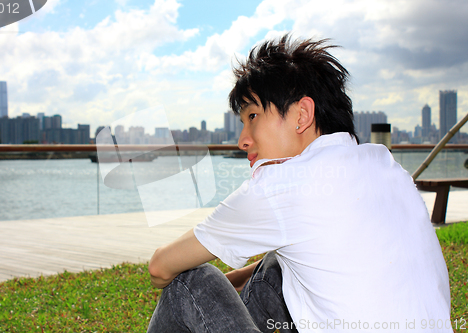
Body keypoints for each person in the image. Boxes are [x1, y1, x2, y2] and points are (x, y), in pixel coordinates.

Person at [147, 34, 451, 332]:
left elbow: (160, 268)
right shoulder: (383, 164)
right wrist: (233, 287)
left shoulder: (281, 185)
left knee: (189, 284)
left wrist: (200, 293)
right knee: (273, 267)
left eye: (252, 116)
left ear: (302, 114)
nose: (242, 140)